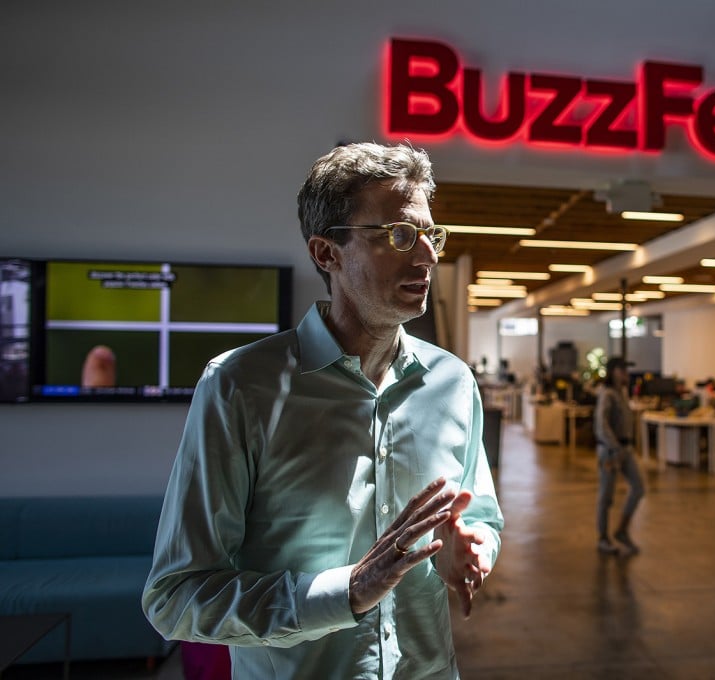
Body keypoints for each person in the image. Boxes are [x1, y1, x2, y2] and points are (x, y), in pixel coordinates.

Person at [142, 142, 504, 679]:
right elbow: (176, 597)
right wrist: (349, 591)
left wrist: (472, 551)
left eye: (431, 235)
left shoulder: (452, 381)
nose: (427, 256)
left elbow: (481, 519)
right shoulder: (241, 387)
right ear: (327, 253)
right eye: (401, 235)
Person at [593, 356, 645, 554]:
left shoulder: (621, 393)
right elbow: (601, 425)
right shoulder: (607, 394)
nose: (626, 374)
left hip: (625, 449)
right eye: (622, 370)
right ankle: (603, 538)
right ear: (613, 371)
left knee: (638, 488)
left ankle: (622, 530)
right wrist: (614, 448)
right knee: (606, 496)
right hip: (610, 451)